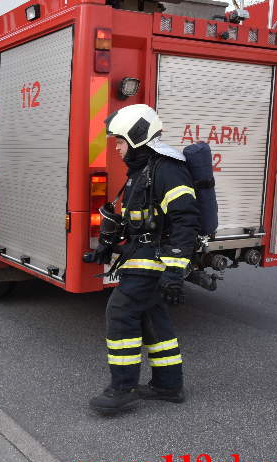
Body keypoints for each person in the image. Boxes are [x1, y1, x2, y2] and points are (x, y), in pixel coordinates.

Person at [88, 104, 200, 415]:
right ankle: (168, 384)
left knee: (121, 312)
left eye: (120, 141)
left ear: (137, 137)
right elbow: (136, 219)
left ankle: (122, 388)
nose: (118, 147)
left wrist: (175, 270)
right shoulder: (142, 170)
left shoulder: (167, 169)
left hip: (155, 258)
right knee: (152, 316)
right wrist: (106, 246)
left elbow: (185, 219)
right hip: (142, 253)